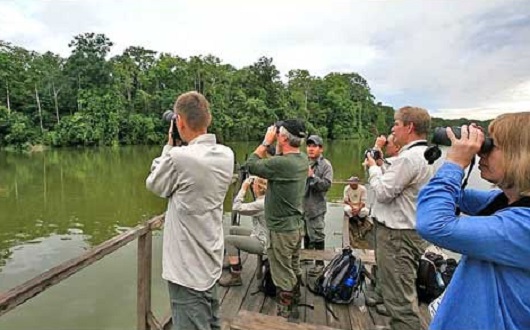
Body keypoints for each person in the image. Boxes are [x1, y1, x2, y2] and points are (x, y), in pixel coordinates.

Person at [417, 114, 530, 330]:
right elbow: (439, 196)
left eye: (491, 146)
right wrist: (457, 161)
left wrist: (455, 162)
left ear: (520, 155)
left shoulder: (523, 225)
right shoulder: (506, 202)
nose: (482, 153)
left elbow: (433, 223)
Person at [146, 91, 234, 330]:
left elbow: (155, 183)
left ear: (179, 122)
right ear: (209, 119)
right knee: (211, 322)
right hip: (211, 259)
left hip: (186, 270)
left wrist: (169, 144)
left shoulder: (179, 158)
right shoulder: (227, 155)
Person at [364, 106, 433, 330]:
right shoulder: (424, 154)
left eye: (396, 124)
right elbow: (399, 187)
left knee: (399, 302)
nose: (393, 128)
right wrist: (383, 166)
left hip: (397, 237)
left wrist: (374, 168)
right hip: (409, 232)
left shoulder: (408, 159)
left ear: (409, 127)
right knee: (402, 291)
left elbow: (383, 193)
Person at [246, 119, 307, 318]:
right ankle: (295, 301)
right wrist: (279, 143)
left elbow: (251, 165)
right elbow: (279, 159)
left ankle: (285, 313)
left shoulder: (281, 164)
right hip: (296, 227)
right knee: (294, 266)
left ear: (283, 137)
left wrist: (266, 142)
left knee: (281, 272)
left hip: (281, 230)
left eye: (279, 133)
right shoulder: (302, 160)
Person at [365, 132, 402, 310]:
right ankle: (380, 293)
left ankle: (389, 303)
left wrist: (376, 156)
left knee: (392, 266)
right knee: (381, 261)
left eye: (389, 143)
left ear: (398, 147)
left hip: (395, 225)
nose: (386, 145)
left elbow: (383, 190)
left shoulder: (401, 163)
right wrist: (377, 158)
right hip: (383, 221)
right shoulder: (392, 164)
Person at [219, 176, 268, 287]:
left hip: (262, 242)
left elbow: (236, 207)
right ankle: (234, 261)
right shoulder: (266, 198)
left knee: (229, 240)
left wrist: (243, 188)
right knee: (233, 230)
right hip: (260, 234)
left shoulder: (260, 204)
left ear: (258, 188)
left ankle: (235, 276)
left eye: (253, 185)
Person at [303, 135, 333, 274]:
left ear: (321, 148)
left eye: (314, 146)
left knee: (318, 235)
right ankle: (307, 257)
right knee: (304, 234)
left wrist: (312, 177)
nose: (311, 149)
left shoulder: (326, 165)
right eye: (309, 146)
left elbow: (326, 185)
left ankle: (320, 263)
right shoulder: (303, 162)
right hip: (301, 206)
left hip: (316, 207)